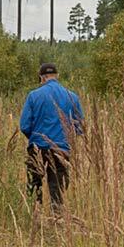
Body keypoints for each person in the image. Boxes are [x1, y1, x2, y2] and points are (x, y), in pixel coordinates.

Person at [19, 62, 84, 213]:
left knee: (35, 186)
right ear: (57, 76)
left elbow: (24, 126)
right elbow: (80, 128)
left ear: (41, 78)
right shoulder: (72, 97)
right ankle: (58, 221)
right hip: (62, 150)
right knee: (57, 190)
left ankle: (35, 217)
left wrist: (35, 138)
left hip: (38, 148)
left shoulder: (34, 96)